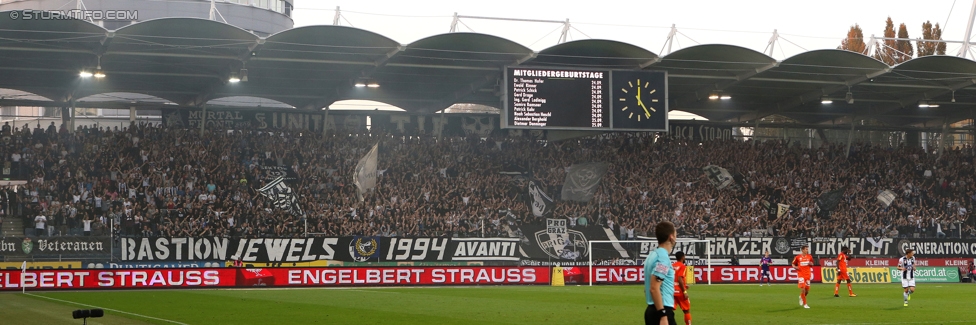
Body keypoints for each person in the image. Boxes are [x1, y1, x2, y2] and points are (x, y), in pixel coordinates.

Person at [644, 221, 677, 325]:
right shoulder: (662, 258)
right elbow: (654, 288)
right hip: (661, 310)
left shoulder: (653, 255)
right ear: (671, 237)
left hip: (652, 309)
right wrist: (663, 315)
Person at [672, 251, 692, 325]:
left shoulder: (672, 265)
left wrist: (684, 285)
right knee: (686, 310)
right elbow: (679, 279)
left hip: (672, 290)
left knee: (669, 310)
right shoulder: (682, 266)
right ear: (682, 257)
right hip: (680, 291)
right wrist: (684, 291)